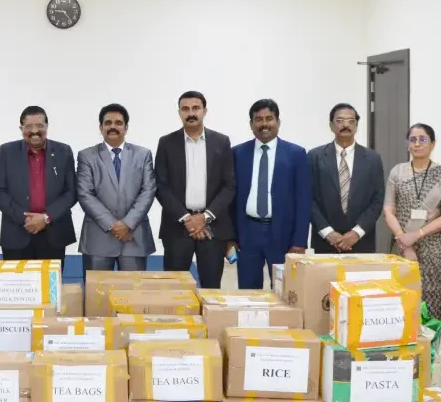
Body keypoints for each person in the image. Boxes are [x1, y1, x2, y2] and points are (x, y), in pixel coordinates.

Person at [155, 91, 235, 289]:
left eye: (196, 108)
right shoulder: (166, 143)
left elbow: (229, 185)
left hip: (213, 228)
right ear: (179, 113)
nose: (191, 113)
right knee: (175, 289)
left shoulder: (221, 142)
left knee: (211, 288)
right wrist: (187, 219)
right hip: (177, 227)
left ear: (204, 111)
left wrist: (204, 217)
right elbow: (161, 186)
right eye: (185, 109)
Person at [230, 99, 311, 289]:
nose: (264, 124)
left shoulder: (296, 154)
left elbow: (304, 200)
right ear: (251, 124)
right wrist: (231, 237)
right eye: (258, 119)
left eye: (269, 118)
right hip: (248, 233)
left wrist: (300, 241)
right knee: (248, 290)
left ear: (278, 122)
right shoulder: (238, 153)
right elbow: (231, 198)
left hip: (283, 234)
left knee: (285, 290)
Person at [382, 123, 441, 321]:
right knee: (403, 303)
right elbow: (388, 209)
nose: (417, 144)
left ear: (432, 144)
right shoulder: (397, 172)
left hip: (435, 251)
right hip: (402, 247)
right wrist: (403, 240)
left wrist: (417, 235)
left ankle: (436, 341)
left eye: (423, 139)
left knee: (436, 305)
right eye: (413, 140)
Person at [76, 103, 157, 272]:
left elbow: (148, 191)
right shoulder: (87, 156)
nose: (113, 126)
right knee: (97, 289)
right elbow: (85, 194)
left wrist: (128, 224)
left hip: (133, 236)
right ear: (101, 127)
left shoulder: (143, 155)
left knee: (133, 289)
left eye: (118, 123)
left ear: (126, 128)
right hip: (98, 238)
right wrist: (112, 225)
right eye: (108, 123)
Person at [0, 105, 77, 265]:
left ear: (47, 127)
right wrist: (25, 218)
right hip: (17, 233)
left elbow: (71, 193)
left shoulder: (63, 151)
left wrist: (46, 217)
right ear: (21, 128)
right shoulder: (7, 151)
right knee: (17, 280)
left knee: (50, 281)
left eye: (40, 125)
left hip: (54, 233)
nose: (35, 131)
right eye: (29, 126)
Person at [308, 103, 385, 253]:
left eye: (351, 121)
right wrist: (327, 232)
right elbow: (308, 198)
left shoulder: (373, 158)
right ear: (331, 125)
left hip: (361, 241)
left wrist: (356, 233)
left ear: (356, 126)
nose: (346, 125)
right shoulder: (314, 157)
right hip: (325, 241)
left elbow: (377, 199)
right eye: (340, 121)